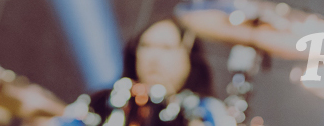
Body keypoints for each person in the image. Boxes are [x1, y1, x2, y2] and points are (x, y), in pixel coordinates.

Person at [72, 20, 232, 126]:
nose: (153, 57)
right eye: (146, 46)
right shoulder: (103, 101)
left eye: (166, 47)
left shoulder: (206, 111)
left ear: (189, 57)